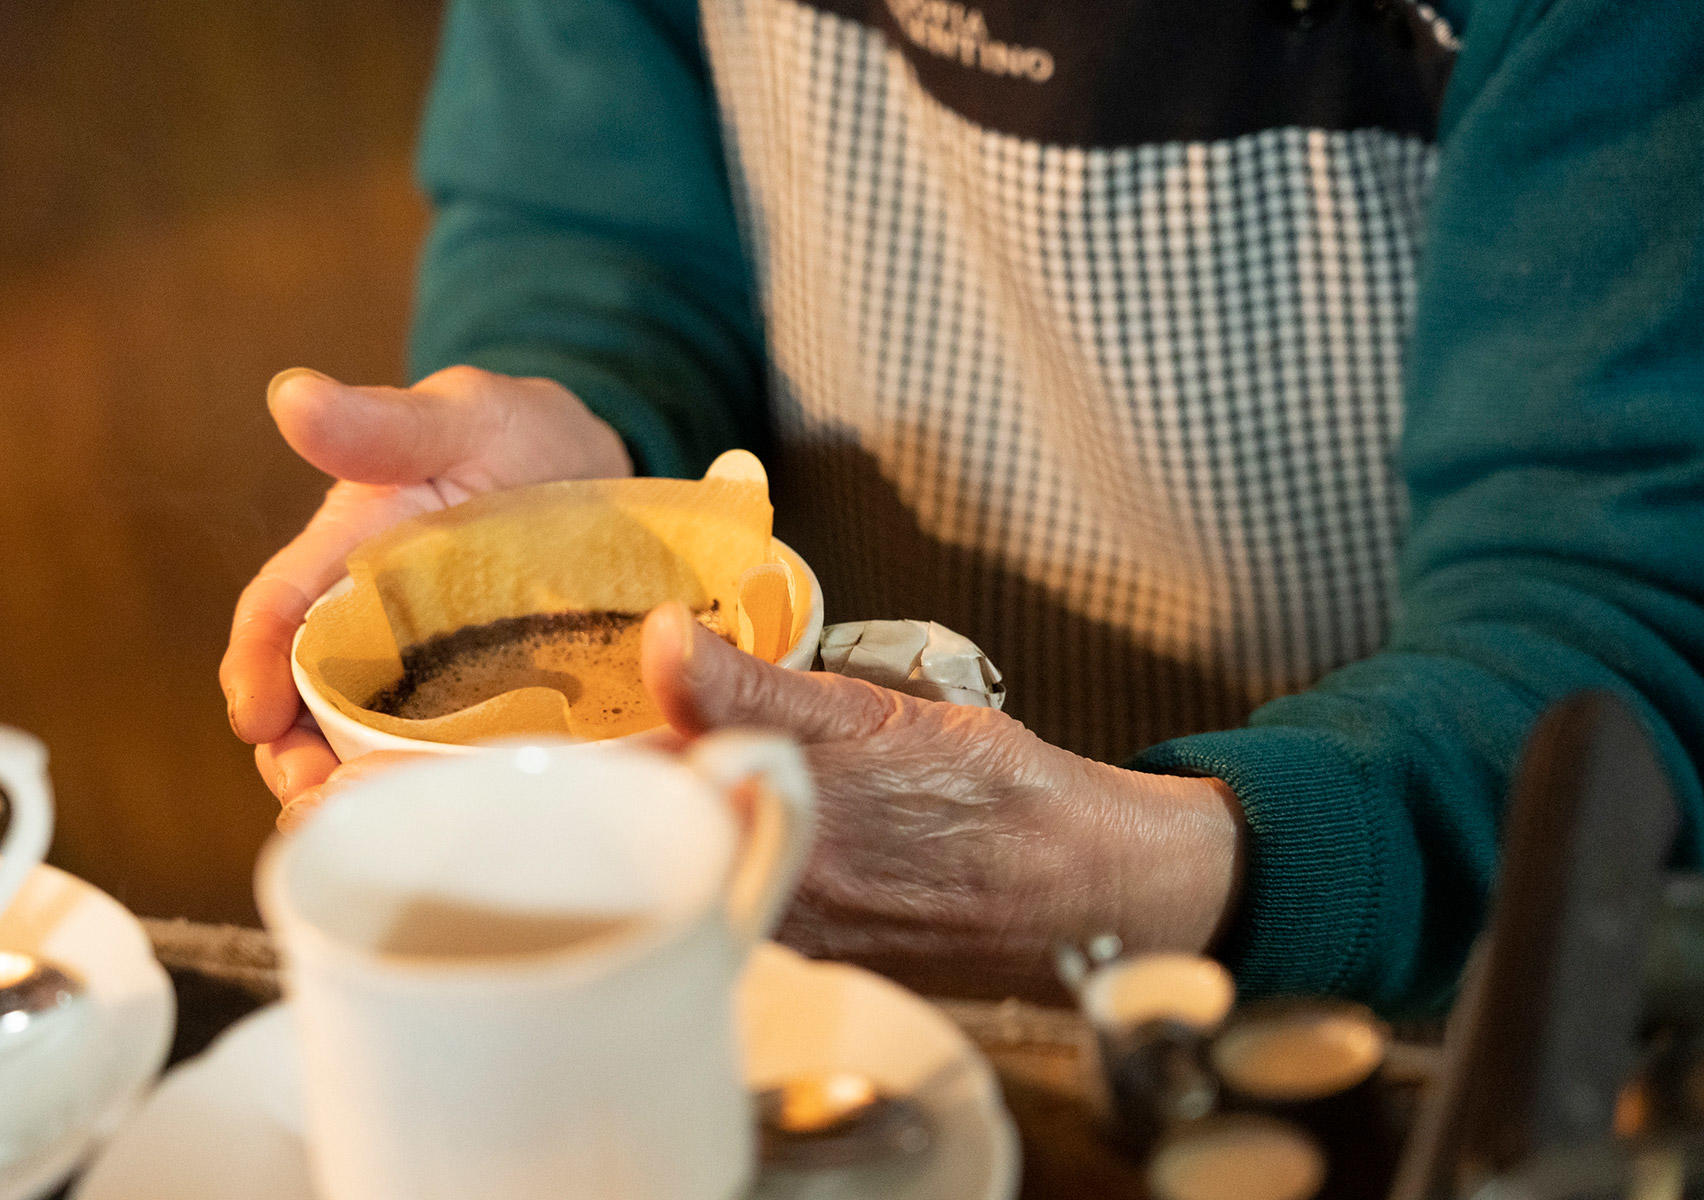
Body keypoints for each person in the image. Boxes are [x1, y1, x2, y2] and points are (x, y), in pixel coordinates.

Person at [221, 0, 1704, 1008]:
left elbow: (1620, 610)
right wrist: (577, 430)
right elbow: (596, 227)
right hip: (810, 934)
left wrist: (1149, 869)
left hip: (1413, 985)